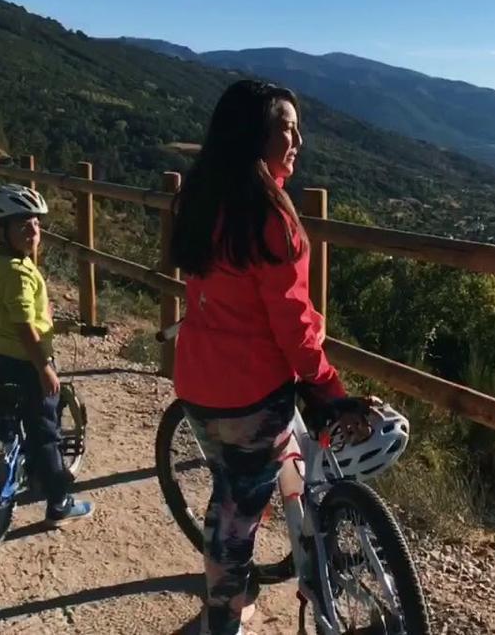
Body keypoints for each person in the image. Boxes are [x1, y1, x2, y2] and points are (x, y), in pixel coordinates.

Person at [169, 80, 372, 635]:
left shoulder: (198, 198)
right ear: (254, 134)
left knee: (235, 487)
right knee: (236, 512)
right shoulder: (271, 216)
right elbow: (293, 321)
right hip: (253, 393)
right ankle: (225, 616)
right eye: (286, 127)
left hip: (198, 381)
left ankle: (244, 590)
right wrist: (327, 384)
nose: (297, 139)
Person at [0, 183, 94, 527]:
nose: (33, 230)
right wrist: (44, 367)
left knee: (2, 427)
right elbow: (24, 324)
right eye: (22, 224)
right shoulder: (20, 273)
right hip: (28, 362)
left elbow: (9, 311)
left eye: (36, 223)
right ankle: (58, 502)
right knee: (45, 434)